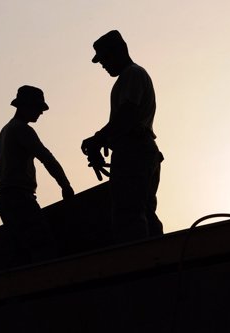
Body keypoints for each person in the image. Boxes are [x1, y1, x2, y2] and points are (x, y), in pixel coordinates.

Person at [81, 30, 163, 243]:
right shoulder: (128, 78)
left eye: (105, 59)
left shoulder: (132, 74)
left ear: (118, 52)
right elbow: (125, 122)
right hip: (138, 150)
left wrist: (99, 139)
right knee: (143, 211)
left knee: (130, 215)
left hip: (135, 152)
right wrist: (105, 141)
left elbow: (128, 114)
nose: (103, 65)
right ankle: (159, 258)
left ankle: (141, 263)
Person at [0, 85, 74, 263]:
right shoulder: (21, 129)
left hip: (7, 201)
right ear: (25, 106)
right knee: (43, 248)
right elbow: (47, 158)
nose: (41, 112)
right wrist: (65, 185)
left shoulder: (5, 130)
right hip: (19, 199)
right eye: (38, 108)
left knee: (22, 255)